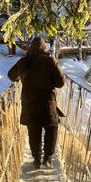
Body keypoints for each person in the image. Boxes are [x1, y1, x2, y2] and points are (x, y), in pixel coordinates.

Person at [8, 37, 65, 169]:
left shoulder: (24, 61)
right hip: (47, 104)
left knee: (34, 131)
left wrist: (20, 76)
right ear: (44, 48)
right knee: (51, 129)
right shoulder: (50, 61)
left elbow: (11, 75)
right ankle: (48, 159)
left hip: (29, 104)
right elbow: (60, 83)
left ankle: (36, 160)